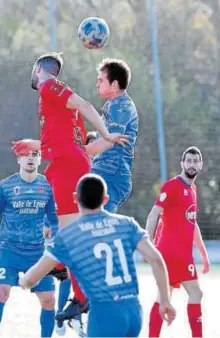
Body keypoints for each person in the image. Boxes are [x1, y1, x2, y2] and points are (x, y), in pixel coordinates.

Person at [12, 52, 128, 331]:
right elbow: (65, 140)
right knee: (56, 222)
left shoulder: (49, 86)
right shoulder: (55, 101)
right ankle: (64, 269)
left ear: (40, 69)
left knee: (69, 235)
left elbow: (86, 104)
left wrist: (106, 133)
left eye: (34, 68)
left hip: (67, 166)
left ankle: (80, 295)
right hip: (66, 164)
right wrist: (34, 144)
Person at [18, 173, 176, 337]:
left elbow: (32, 278)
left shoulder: (69, 236)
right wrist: (165, 299)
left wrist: (23, 279)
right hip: (133, 311)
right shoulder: (127, 224)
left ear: (75, 198)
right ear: (105, 199)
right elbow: (156, 259)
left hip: (104, 313)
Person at [0, 140, 58, 338]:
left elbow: (55, 220)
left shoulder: (48, 186)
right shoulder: (6, 186)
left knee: (48, 300)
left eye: (35, 154)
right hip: (9, 250)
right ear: (19, 158)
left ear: (40, 158)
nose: (30, 158)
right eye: (26, 154)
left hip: (38, 252)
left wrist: (57, 245)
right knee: (1, 292)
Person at [146, 146, 210, 338]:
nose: (191, 164)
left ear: (200, 165)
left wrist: (204, 255)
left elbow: (193, 223)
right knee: (196, 293)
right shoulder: (173, 185)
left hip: (178, 254)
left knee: (163, 297)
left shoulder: (192, 188)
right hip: (173, 253)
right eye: (188, 161)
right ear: (182, 163)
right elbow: (154, 213)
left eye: (195, 161)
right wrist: (147, 244)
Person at [86, 58, 139, 213]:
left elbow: (107, 142)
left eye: (101, 80)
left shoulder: (120, 106)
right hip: (104, 171)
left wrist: (78, 151)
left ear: (114, 84)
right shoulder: (113, 105)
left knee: (99, 226)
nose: (97, 84)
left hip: (111, 173)